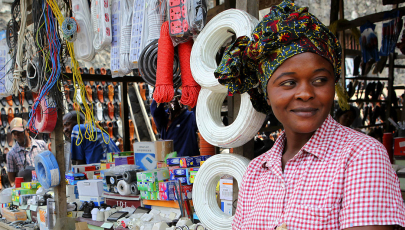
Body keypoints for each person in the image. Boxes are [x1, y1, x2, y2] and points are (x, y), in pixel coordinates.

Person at [214, 1, 405, 229]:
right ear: (266, 93)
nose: (305, 93)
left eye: (319, 80)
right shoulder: (257, 171)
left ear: (333, 84)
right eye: (289, 83)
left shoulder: (361, 156)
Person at [151, 91, 199, 157]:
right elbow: (155, 110)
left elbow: (198, 112)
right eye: (171, 98)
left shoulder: (190, 117)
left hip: (186, 162)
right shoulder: (164, 118)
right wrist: (161, 91)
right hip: (168, 162)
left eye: (177, 97)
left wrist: (191, 93)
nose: (174, 100)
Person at [7, 118, 48, 184]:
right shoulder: (11, 154)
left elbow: (49, 166)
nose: (17, 136)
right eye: (14, 134)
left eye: (19, 133)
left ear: (27, 130)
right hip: (25, 189)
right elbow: (12, 180)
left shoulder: (41, 145)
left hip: (43, 185)